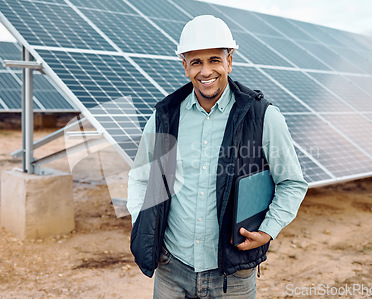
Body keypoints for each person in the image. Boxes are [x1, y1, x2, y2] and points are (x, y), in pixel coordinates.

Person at [127, 15, 308, 298]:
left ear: (229, 61)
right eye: (196, 62)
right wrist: (145, 225)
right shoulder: (165, 116)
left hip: (233, 276)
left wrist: (268, 231)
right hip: (172, 269)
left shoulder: (263, 117)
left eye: (214, 59)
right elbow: (140, 178)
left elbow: (291, 183)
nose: (206, 71)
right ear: (184, 66)